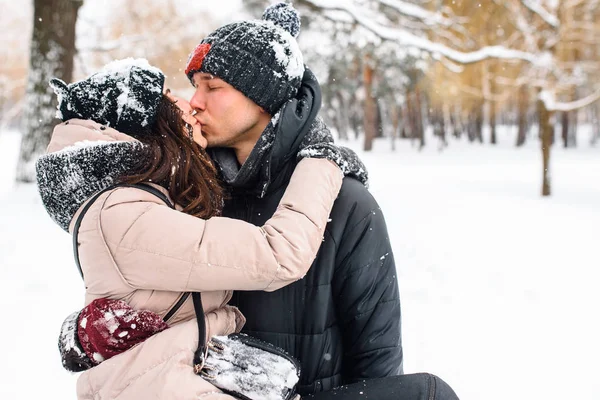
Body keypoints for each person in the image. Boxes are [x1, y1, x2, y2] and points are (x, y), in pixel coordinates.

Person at [36, 57, 362, 400]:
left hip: (178, 378)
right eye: (168, 96)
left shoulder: (148, 200)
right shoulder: (122, 213)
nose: (188, 102)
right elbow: (278, 255)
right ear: (147, 125)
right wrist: (321, 160)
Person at [184, 2, 402, 396]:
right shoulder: (193, 195)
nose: (195, 101)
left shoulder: (346, 204)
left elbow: (378, 367)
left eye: (212, 86)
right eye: (195, 86)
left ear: (263, 96)